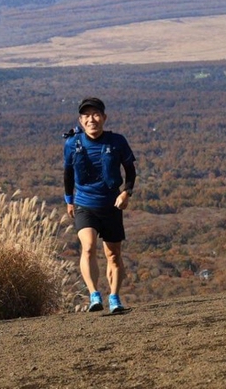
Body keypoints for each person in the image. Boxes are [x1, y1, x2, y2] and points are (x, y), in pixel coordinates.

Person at [64, 97, 137, 313]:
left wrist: (126, 192)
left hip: (111, 205)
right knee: (88, 247)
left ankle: (114, 297)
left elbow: (130, 171)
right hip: (85, 204)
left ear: (104, 118)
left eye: (96, 114)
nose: (91, 119)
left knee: (113, 255)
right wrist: (69, 200)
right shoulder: (72, 144)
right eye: (86, 116)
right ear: (80, 120)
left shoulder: (117, 142)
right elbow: (68, 173)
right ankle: (94, 294)